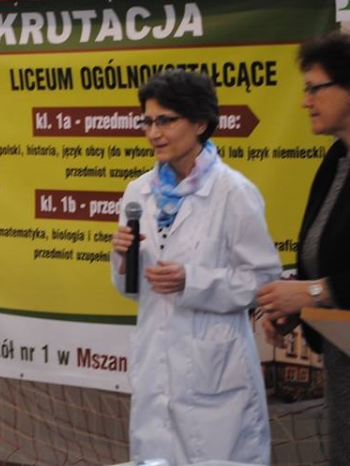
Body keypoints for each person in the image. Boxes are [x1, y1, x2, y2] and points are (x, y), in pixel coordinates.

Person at [109, 69, 281, 465]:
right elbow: (132, 289)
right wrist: (122, 258)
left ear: (200, 123)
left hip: (216, 375)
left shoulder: (233, 192)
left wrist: (193, 280)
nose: (154, 133)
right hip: (156, 366)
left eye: (166, 121)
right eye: (147, 122)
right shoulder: (138, 192)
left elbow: (262, 280)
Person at [257, 31, 350, 465]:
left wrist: (314, 291)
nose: (304, 101)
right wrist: (299, 306)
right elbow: (327, 260)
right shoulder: (335, 162)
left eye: (314, 88)